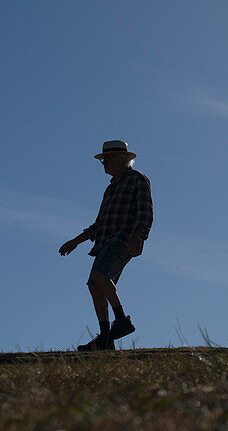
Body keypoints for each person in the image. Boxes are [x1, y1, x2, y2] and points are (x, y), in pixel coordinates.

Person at [59, 140, 153, 351]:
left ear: (122, 160)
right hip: (105, 243)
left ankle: (121, 321)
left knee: (101, 275)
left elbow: (145, 211)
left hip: (124, 240)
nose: (104, 164)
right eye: (103, 160)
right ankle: (105, 338)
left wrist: (139, 236)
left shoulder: (138, 180)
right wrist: (76, 241)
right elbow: (99, 224)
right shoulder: (110, 190)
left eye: (108, 160)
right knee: (94, 284)